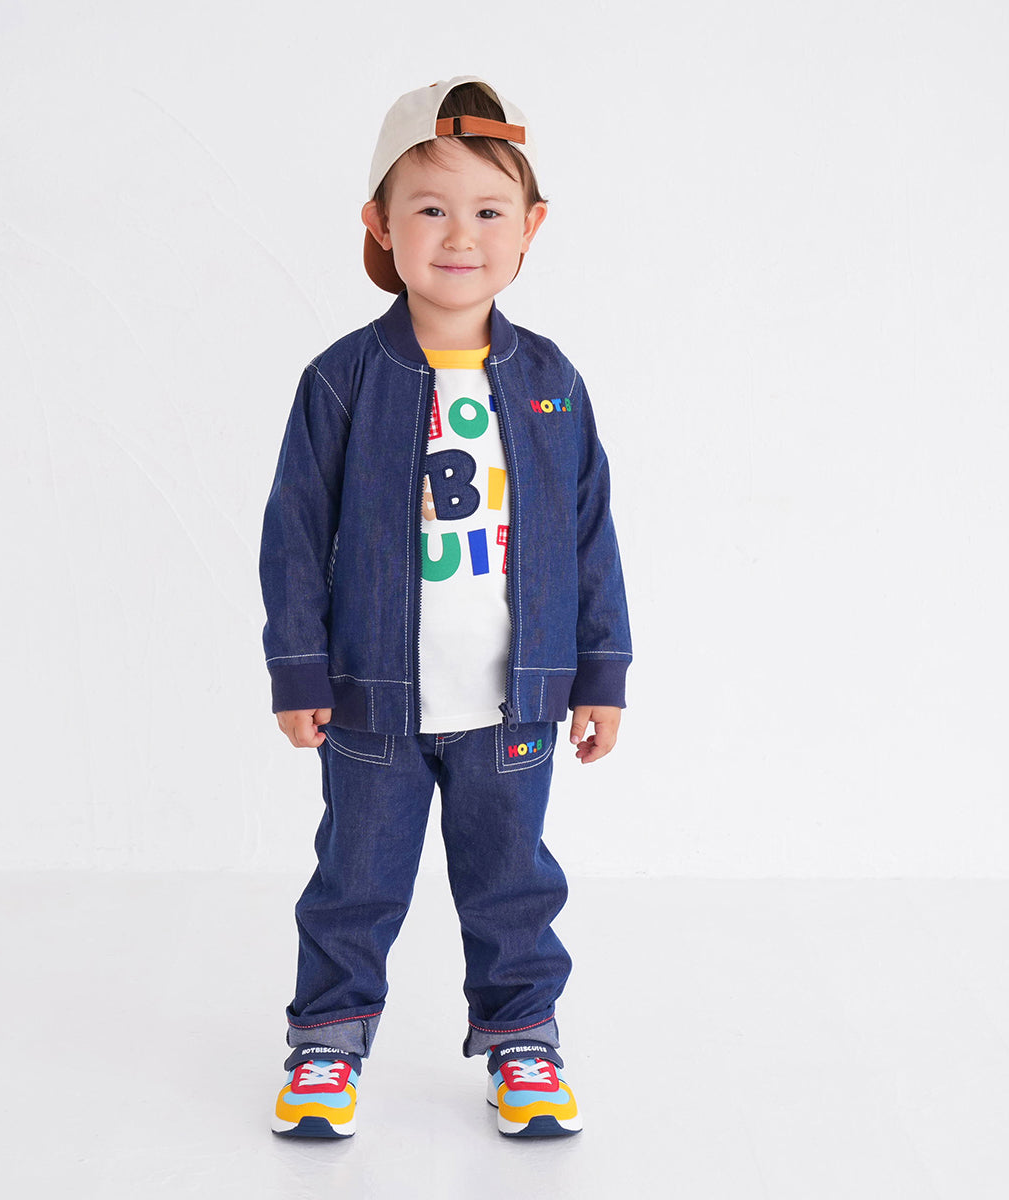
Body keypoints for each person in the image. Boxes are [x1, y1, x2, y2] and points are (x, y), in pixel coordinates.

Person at [260, 76, 632, 1139]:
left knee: (513, 886)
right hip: (371, 703)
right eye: (430, 207)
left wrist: (600, 672)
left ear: (531, 228)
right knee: (354, 883)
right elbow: (294, 537)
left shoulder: (551, 383)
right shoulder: (343, 380)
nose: (460, 235)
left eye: (488, 210)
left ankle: (524, 1040)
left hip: (515, 704)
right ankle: (327, 1044)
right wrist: (299, 670)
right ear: (381, 224)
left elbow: (589, 533)